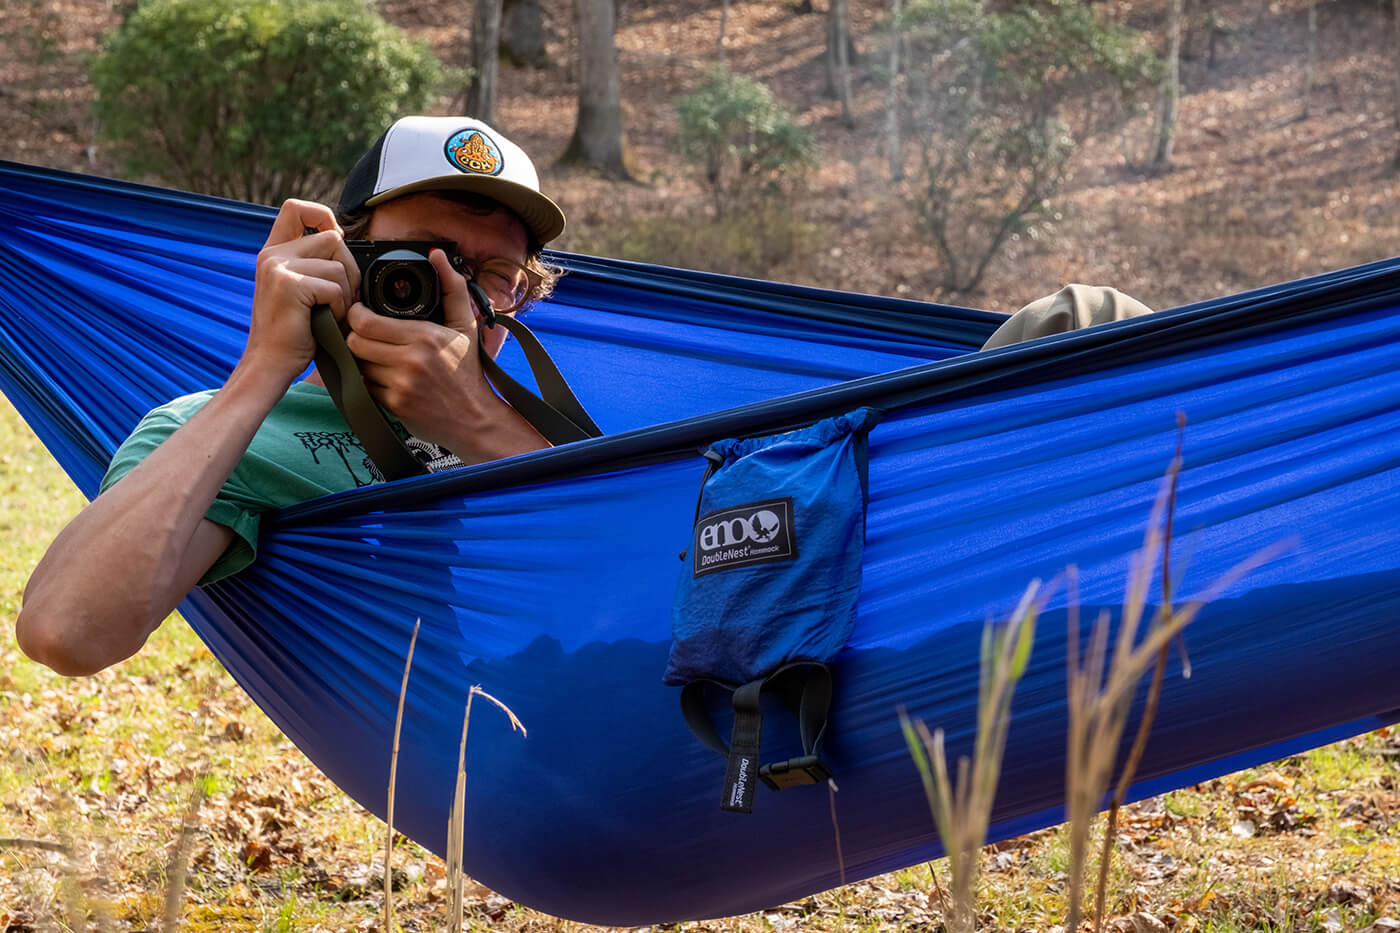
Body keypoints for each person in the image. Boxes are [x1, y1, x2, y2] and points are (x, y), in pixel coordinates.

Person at [16, 116, 567, 677]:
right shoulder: (234, 440)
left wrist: (473, 419)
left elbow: (646, 577)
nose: (457, 291)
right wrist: (263, 367)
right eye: (420, 259)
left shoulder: (557, 429)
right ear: (340, 262)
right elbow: (65, 632)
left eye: (497, 275)